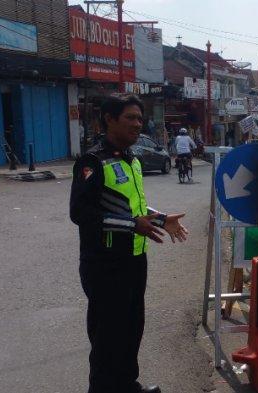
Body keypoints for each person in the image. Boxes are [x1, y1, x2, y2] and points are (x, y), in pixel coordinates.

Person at [70, 94, 189, 393]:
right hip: (105, 264)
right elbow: (81, 213)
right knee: (107, 337)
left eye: (139, 118)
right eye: (130, 118)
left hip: (134, 260)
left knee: (131, 329)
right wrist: (132, 225)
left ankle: (126, 385)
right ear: (109, 119)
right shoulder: (93, 161)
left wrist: (161, 219)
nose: (138, 124)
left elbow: (131, 208)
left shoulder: (131, 159)